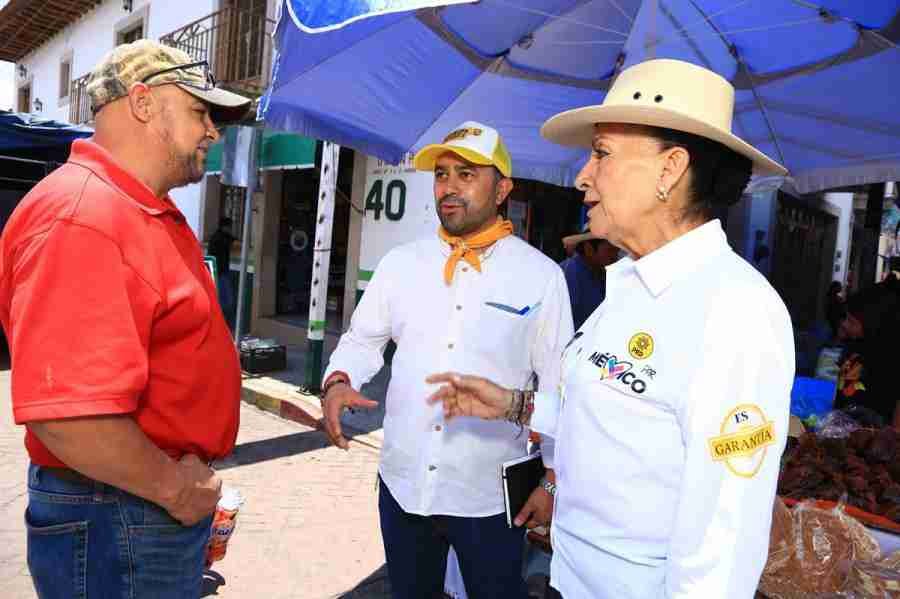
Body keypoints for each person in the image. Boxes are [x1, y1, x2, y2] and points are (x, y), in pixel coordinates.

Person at [427, 59, 796, 599]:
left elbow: (722, 546)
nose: (581, 176)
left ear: (670, 169)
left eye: (600, 154)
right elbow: (614, 421)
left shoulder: (735, 312)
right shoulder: (624, 287)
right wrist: (513, 405)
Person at [0, 40, 250, 598]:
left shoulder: (130, 208)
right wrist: (173, 489)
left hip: (130, 507)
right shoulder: (86, 214)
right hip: (120, 510)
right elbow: (69, 415)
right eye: (199, 112)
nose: (213, 132)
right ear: (142, 103)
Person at [320, 121, 574, 599]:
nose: (449, 188)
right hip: (404, 484)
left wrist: (553, 483)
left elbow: (559, 387)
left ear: (502, 189)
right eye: (442, 175)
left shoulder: (540, 277)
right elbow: (361, 340)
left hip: (491, 498)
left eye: (467, 174)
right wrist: (338, 380)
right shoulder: (402, 264)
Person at [559, 225, 619, 329]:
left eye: (617, 251)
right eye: (610, 251)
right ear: (589, 249)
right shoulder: (569, 273)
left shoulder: (604, 273)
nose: (615, 257)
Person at [208, 216, 237, 326]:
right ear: (225, 227)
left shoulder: (220, 235)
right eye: (230, 227)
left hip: (218, 272)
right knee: (225, 302)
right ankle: (221, 325)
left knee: (223, 301)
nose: (231, 229)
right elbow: (235, 244)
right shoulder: (220, 238)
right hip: (219, 273)